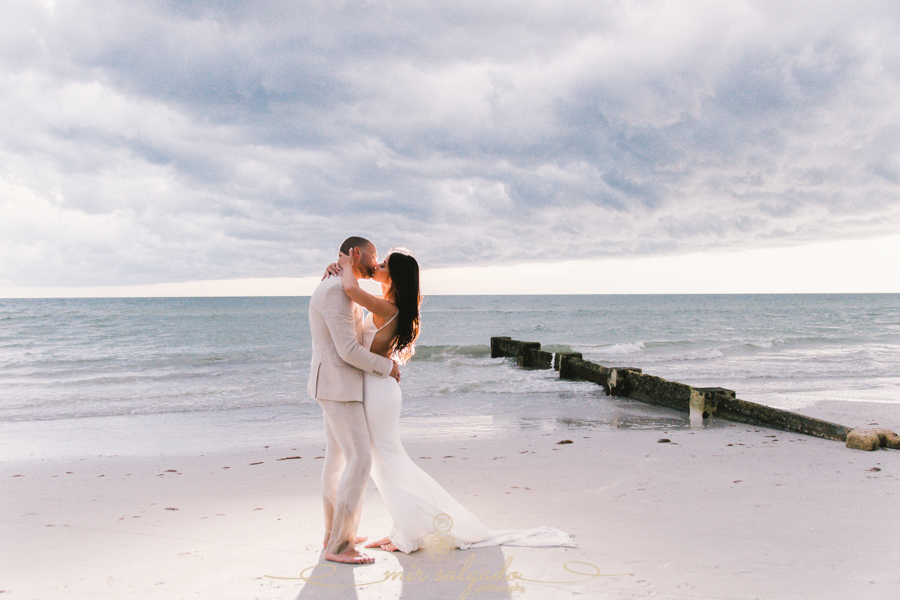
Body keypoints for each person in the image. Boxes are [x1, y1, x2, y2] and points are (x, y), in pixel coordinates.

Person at [328, 247, 573, 553]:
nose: (377, 266)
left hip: (378, 391)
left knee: (387, 460)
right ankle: (402, 528)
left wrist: (343, 262)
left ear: (394, 276)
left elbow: (351, 288)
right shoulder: (392, 301)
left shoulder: (388, 307)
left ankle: (409, 532)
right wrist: (346, 268)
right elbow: (358, 287)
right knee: (383, 462)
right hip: (379, 388)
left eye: (384, 264)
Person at [307, 236, 401, 564]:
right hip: (339, 387)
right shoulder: (335, 290)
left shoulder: (336, 284)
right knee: (360, 459)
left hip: (331, 385)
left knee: (336, 460)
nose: (375, 264)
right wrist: (387, 366)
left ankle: (334, 533)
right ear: (356, 253)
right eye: (373, 256)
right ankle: (341, 546)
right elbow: (348, 351)